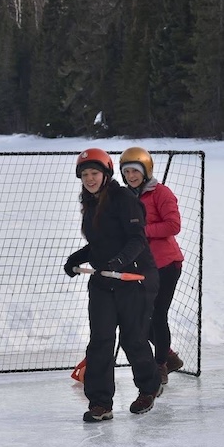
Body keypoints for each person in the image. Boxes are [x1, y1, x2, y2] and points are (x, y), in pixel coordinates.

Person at [63, 148, 162, 423]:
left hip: (135, 279)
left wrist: (118, 262)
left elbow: (137, 240)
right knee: (101, 342)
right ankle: (100, 402)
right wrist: (77, 258)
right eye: (84, 174)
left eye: (94, 173)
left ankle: (148, 387)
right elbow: (100, 242)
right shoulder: (91, 202)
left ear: (106, 174)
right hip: (104, 282)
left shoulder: (123, 199)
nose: (89, 179)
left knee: (133, 339)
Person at [119, 146, 185, 385]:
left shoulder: (161, 193)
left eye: (135, 171)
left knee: (157, 314)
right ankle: (168, 355)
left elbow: (173, 225)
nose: (131, 176)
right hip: (140, 265)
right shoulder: (125, 197)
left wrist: (142, 231)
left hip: (166, 264)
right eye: (126, 172)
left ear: (145, 171)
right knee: (137, 317)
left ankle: (160, 365)